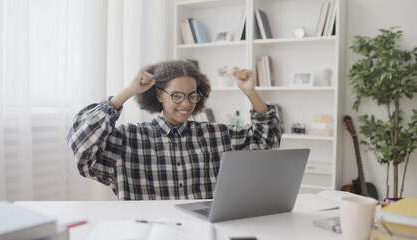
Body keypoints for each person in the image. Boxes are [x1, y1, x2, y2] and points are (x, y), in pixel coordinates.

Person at [67, 60, 281, 200]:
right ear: (159, 95)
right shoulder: (128, 139)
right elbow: (83, 147)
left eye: (192, 95)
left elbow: (265, 142)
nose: (186, 104)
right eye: (176, 95)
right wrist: (129, 91)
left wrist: (250, 92)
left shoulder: (215, 135)